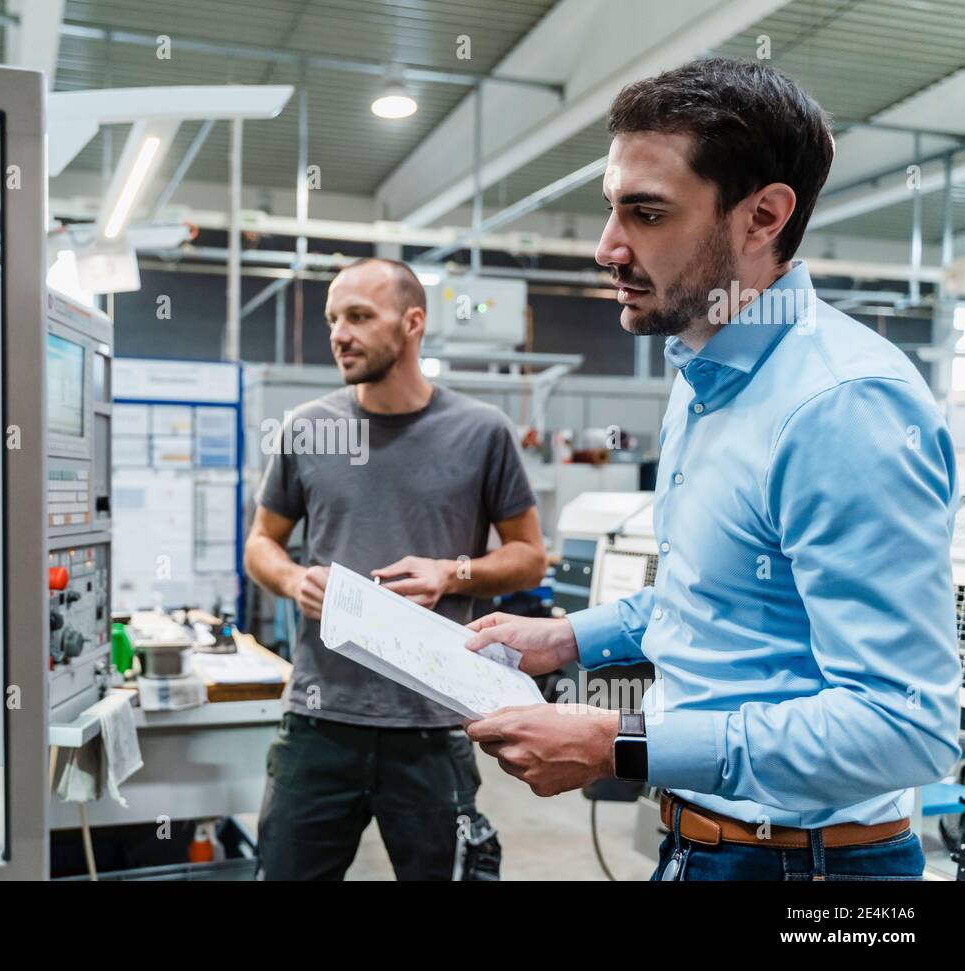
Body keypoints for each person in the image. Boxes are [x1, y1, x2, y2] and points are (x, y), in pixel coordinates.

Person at [463, 57, 962, 881]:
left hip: (812, 873)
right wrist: (565, 637)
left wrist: (618, 742)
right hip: (706, 846)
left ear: (763, 215)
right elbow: (717, 590)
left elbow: (909, 726)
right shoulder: (704, 370)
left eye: (646, 213)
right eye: (611, 209)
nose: (606, 247)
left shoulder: (841, 405)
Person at [245, 257, 547, 880]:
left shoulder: (480, 432)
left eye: (359, 316)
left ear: (412, 323)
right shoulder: (307, 430)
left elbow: (529, 556)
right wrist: (293, 579)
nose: (339, 333)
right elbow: (260, 544)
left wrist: (452, 573)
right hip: (318, 720)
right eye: (333, 318)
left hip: (433, 724)